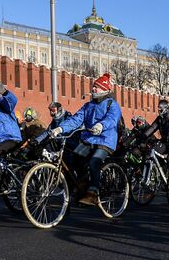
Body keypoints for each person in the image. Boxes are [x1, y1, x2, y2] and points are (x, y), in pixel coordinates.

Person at [49, 73, 122, 206]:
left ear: (105, 89)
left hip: (105, 139)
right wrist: (60, 129)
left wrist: (101, 125)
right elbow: (76, 120)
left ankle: (93, 193)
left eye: (97, 87)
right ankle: (84, 184)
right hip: (89, 138)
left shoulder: (112, 104)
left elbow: (112, 118)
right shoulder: (88, 106)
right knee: (75, 158)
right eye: (94, 86)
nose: (93, 89)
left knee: (95, 161)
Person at [142, 99, 169, 170]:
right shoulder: (160, 118)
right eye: (159, 110)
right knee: (153, 152)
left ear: (166, 108)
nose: (159, 111)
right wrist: (144, 135)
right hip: (166, 142)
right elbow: (153, 127)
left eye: (161, 110)